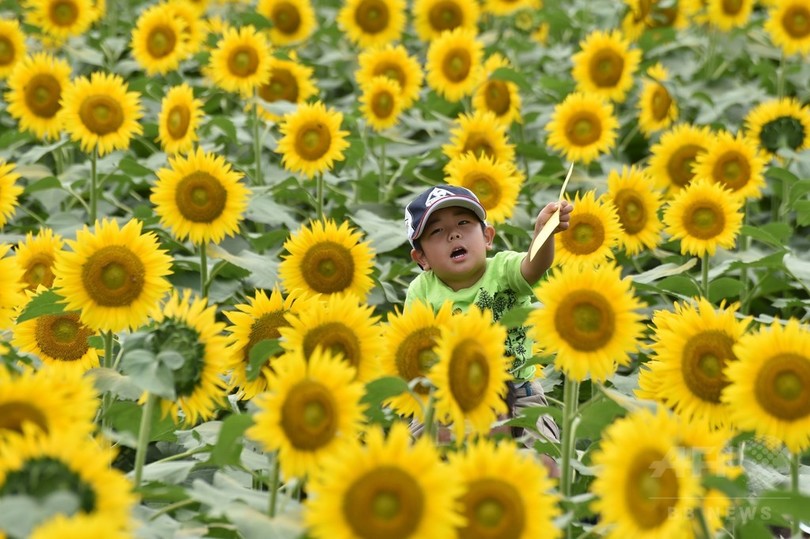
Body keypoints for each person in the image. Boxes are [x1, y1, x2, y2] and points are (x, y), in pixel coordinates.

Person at [403, 184, 573, 459]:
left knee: (543, 460)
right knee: (416, 454)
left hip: (520, 394)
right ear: (421, 258)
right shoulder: (421, 291)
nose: (453, 233)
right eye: (437, 231)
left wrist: (544, 233)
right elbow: (415, 351)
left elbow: (534, 265)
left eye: (463, 222)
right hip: (450, 398)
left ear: (487, 237)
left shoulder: (503, 270)